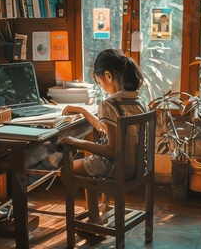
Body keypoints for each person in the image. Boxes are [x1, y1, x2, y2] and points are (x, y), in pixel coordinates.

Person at [59, 48, 146, 221]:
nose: (101, 87)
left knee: (66, 169)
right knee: (87, 166)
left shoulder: (109, 104)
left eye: (99, 82)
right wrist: (83, 111)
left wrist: (76, 142)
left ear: (108, 75)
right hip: (138, 167)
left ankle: (93, 219)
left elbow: (112, 151)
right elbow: (105, 129)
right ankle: (97, 212)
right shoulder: (138, 100)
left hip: (116, 168)